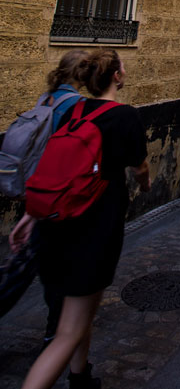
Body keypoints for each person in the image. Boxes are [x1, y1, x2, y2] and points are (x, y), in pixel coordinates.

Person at [10, 48, 150, 389]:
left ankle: (80, 375)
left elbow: (55, 164)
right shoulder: (125, 117)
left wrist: (32, 214)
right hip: (93, 228)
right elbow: (140, 166)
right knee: (67, 330)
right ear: (116, 76)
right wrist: (145, 183)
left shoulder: (73, 110)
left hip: (55, 223)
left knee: (81, 311)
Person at [40, 50, 88, 345]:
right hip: (64, 195)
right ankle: (61, 329)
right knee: (70, 261)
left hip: (38, 192)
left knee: (48, 261)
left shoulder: (45, 100)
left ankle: (56, 322)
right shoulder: (78, 106)